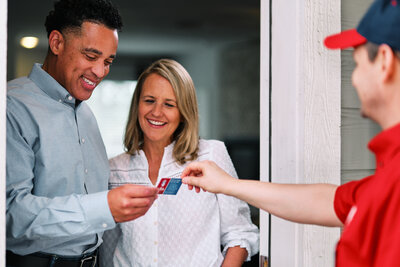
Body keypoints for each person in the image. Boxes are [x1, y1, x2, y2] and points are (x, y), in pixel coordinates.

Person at [182, 0, 400, 266]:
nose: (354, 78)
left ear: (385, 62)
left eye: (357, 63)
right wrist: (228, 185)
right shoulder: (387, 176)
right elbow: (328, 201)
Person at [6, 0, 158, 266]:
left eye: (108, 61)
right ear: (56, 43)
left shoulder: (86, 115)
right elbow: (11, 215)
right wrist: (104, 207)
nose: (100, 72)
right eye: (90, 56)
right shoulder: (11, 107)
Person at [100, 59, 259, 267]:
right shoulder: (114, 169)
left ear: (183, 112)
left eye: (169, 104)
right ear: (137, 105)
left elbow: (239, 232)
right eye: (149, 100)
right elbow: (108, 246)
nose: (156, 112)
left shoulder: (210, 155)